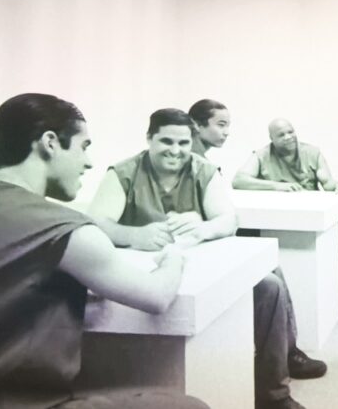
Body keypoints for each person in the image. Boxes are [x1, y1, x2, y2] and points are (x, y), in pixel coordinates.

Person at [0, 93, 207, 409]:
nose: (89, 162)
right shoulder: (63, 228)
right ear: (50, 143)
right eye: (83, 147)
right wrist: (173, 259)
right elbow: (156, 296)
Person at [88, 107, 310, 409]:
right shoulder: (123, 172)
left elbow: (228, 219)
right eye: (166, 141)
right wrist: (133, 235)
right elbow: (97, 223)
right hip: (143, 276)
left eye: (183, 143)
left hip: (199, 266)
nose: (176, 151)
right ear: (149, 138)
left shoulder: (203, 170)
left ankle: (274, 395)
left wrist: (203, 227)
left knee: (270, 287)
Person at [231, 117, 338, 326]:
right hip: (274, 219)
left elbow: (327, 182)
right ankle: (252, 299)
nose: (288, 137)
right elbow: (239, 180)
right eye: (281, 135)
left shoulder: (312, 153)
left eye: (290, 131)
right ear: (271, 139)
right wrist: (276, 186)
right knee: (243, 230)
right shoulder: (261, 155)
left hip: (310, 218)